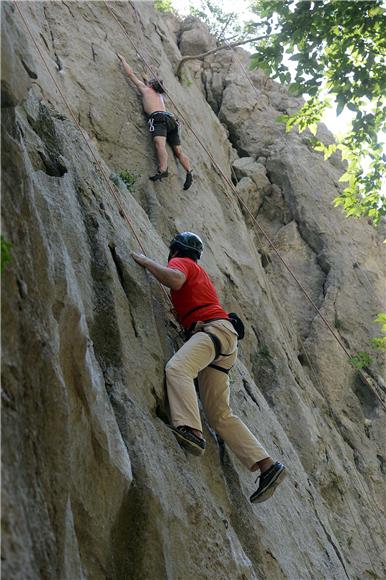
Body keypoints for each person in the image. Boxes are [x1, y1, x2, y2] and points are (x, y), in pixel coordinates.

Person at [132, 232, 287, 503]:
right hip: (223, 340)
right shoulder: (201, 273)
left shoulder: (183, 263)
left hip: (213, 332)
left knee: (178, 369)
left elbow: (175, 280)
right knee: (219, 414)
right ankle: (267, 465)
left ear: (176, 250)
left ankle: (191, 431)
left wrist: (146, 262)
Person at [117, 53, 193, 190]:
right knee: (178, 151)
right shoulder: (159, 95)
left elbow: (130, 74)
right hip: (171, 119)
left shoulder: (145, 89)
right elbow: (146, 77)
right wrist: (146, 70)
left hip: (158, 119)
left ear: (151, 85)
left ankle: (163, 170)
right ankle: (189, 171)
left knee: (160, 144)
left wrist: (123, 60)